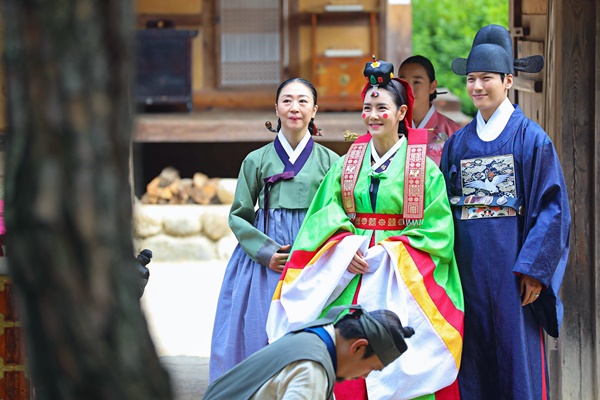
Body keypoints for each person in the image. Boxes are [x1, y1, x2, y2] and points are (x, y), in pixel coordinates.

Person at [266, 58, 464, 400]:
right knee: (346, 351)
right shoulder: (347, 164)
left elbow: (438, 232)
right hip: (350, 269)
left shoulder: (424, 170)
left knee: (403, 355)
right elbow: (323, 216)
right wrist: (344, 247)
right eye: (367, 108)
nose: (373, 115)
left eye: (382, 108)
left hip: (399, 275)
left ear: (401, 113)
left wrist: (388, 253)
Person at [440, 24, 571, 399]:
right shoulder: (457, 144)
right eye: (471, 79)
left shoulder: (532, 139)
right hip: (467, 269)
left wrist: (535, 270)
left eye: (487, 78)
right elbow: (442, 207)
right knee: (473, 359)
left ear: (508, 81)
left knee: (517, 360)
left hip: (514, 271)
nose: (477, 87)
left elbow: (553, 208)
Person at [208, 78, 340, 383]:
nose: (295, 108)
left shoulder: (331, 162)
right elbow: (239, 215)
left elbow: (336, 213)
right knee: (256, 325)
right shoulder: (256, 160)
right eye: (287, 100)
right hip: (266, 257)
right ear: (276, 108)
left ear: (314, 110)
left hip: (312, 255)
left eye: (303, 101)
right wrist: (266, 252)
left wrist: (321, 250)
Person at [204, 305, 414, 400]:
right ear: (358, 347)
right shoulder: (311, 369)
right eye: (371, 368)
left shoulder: (314, 339)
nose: (365, 376)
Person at [398, 55, 462, 166]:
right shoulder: (391, 128)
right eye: (403, 82)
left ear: (432, 86)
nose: (409, 89)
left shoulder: (453, 132)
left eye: (417, 82)